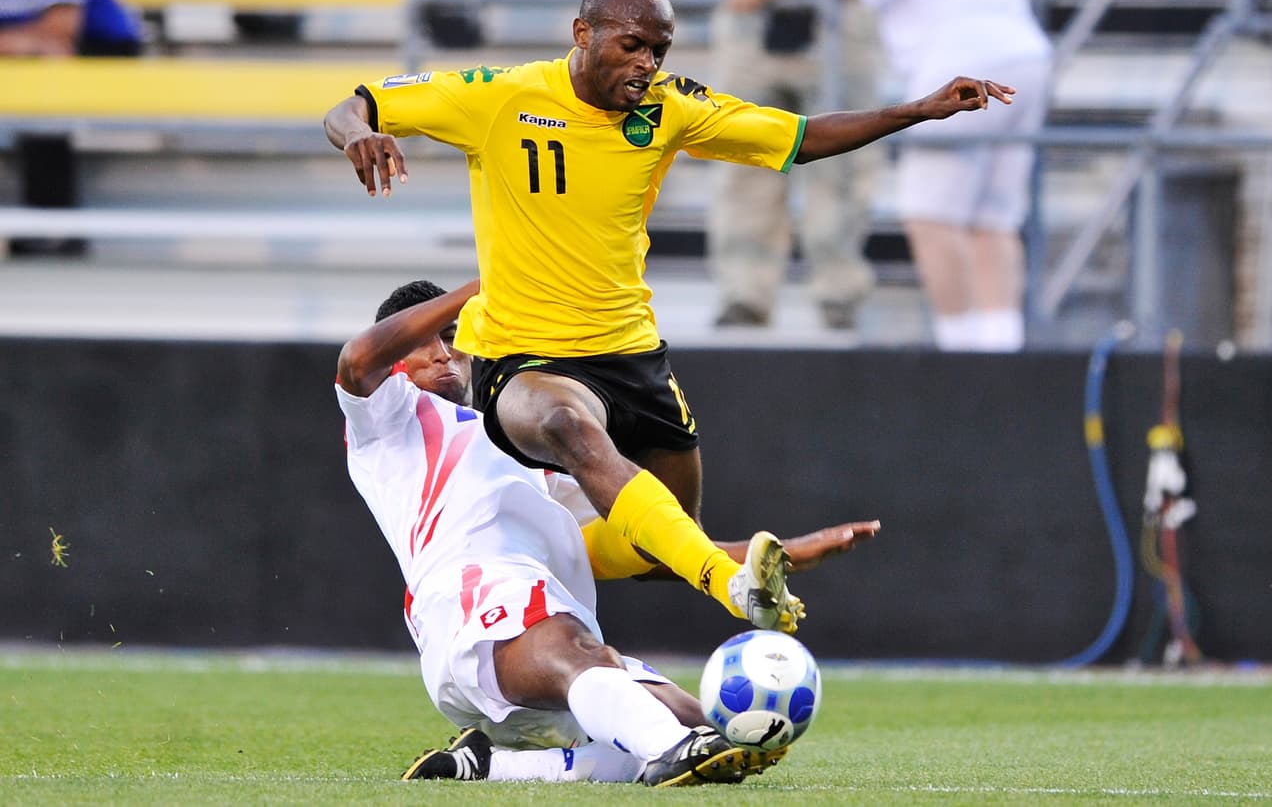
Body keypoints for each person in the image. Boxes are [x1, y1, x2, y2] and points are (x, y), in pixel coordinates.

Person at [324, 0, 1008, 636]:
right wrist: (359, 134)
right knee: (566, 423)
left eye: (660, 49)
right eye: (633, 45)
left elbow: (796, 137)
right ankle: (731, 587)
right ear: (582, 32)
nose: (648, 63)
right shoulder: (499, 96)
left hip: (632, 358)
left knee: (663, 539)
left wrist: (916, 109)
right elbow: (351, 106)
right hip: (525, 355)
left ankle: (729, 566)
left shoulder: (668, 107)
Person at [335, 277, 880, 784]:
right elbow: (358, 359)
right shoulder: (389, 420)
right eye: (423, 341)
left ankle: (489, 765)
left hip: (544, 624)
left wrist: (773, 555)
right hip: (475, 602)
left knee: (714, 731)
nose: (442, 352)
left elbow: (643, 545)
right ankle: (667, 751)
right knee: (655, 726)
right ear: (396, 359)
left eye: (452, 338)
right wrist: (489, 283)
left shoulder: (517, 445)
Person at [726, 0, 1051, 351]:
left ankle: (966, 355)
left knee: (932, 217)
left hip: (964, 59)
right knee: (992, 220)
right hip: (1027, 55)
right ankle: (1001, 350)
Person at [708, 0, 883, 330]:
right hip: (750, 6)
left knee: (841, 165)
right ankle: (745, 295)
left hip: (837, 6)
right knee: (742, 161)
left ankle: (839, 293)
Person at [0, 0, 142, 256]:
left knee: (40, 86)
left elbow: (59, 36)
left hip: (102, 51)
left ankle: (53, 224)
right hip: (21, 57)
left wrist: (25, 44)